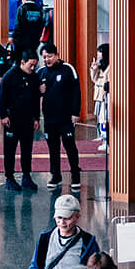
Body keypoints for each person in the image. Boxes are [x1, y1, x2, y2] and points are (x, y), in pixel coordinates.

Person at [39, 42, 83, 190]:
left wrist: (75, 112)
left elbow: (76, 91)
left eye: (50, 56)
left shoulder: (68, 69)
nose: (47, 60)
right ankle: (55, 175)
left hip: (65, 117)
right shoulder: (41, 72)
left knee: (70, 146)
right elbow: (33, 91)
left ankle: (75, 174)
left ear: (57, 55)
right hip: (49, 117)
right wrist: (40, 91)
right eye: (44, 57)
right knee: (53, 148)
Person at [0, 52, 42, 192]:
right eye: (31, 65)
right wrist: (3, 115)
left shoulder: (34, 77)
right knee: (10, 150)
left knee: (27, 150)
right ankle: (9, 178)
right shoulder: (9, 77)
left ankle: (26, 176)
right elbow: (2, 97)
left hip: (27, 119)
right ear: (22, 62)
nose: (32, 68)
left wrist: (36, 117)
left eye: (35, 66)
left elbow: (36, 99)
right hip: (12, 119)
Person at [91, 44, 110, 151]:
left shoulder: (111, 66)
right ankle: (103, 137)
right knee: (100, 118)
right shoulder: (100, 65)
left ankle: (106, 141)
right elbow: (94, 79)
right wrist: (94, 69)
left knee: (104, 119)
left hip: (105, 97)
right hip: (98, 96)